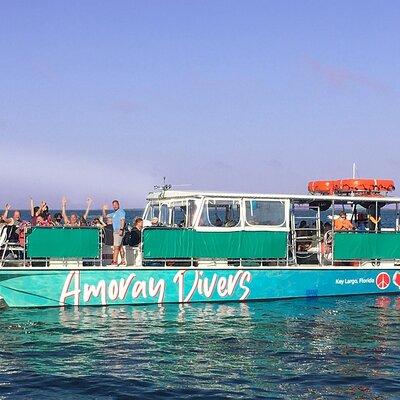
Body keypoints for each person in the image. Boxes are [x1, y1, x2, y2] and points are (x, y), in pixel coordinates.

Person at [103, 200, 126, 266]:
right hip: (115, 231)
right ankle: (123, 261)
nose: (114, 206)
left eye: (116, 204)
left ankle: (114, 262)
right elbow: (105, 217)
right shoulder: (114, 213)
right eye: (113, 205)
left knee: (116, 247)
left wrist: (121, 229)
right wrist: (104, 210)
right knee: (120, 247)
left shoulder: (121, 211)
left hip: (118, 231)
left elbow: (122, 220)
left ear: (118, 205)